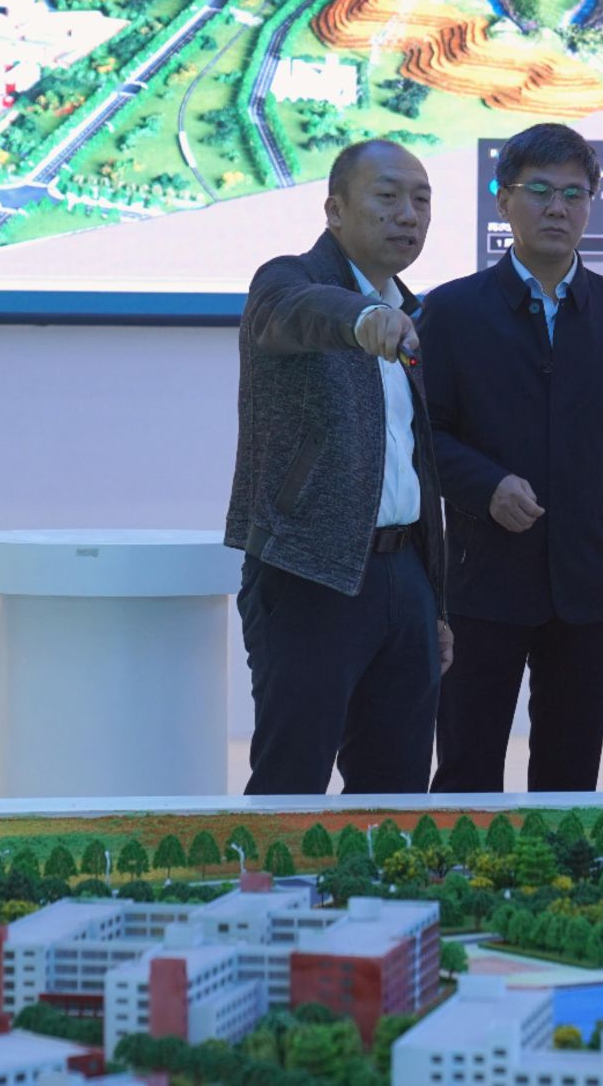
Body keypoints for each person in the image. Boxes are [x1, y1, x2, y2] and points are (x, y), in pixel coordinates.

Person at [419, 122, 603, 793]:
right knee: (467, 768)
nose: (558, 208)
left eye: (574, 194)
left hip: (587, 582)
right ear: (503, 200)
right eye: (539, 191)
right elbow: (424, 435)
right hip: (481, 581)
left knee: (571, 774)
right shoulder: (452, 311)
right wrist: (486, 485)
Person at [224, 138, 449, 796]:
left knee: (398, 786)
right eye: (387, 196)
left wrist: (435, 602)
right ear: (334, 209)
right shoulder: (285, 281)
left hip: (404, 576)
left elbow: (415, 465)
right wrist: (363, 317)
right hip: (307, 568)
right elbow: (297, 315)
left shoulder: (414, 312)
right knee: (292, 779)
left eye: (421, 200)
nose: (408, 214)